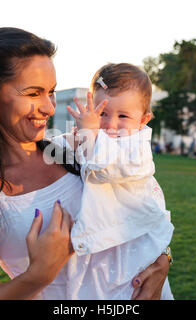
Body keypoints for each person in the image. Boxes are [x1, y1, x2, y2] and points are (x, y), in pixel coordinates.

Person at [0, 27, 171, 300]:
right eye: (33, 93)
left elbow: (141, 199)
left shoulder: (74, 149)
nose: (49, 107)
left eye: (51, 91)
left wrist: (163, 256)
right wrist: (39, 275)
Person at [58, 63, 174, 299]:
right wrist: (58, 143)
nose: (110, 125)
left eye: (123, 116)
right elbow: (60, 148)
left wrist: (89, 135)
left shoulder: (136, 149)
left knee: (132, 292)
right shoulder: (92, 138)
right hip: (107, 244)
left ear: (143, 120)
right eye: (101, 113)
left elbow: (109, 168)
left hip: (134, 245)